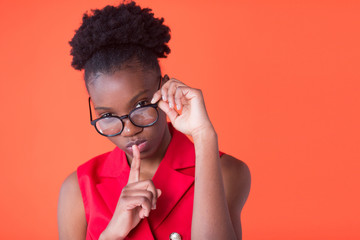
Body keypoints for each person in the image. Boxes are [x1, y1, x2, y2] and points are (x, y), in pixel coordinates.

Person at [57, 1, 251, 239]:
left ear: (164, 88)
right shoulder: (78, 188)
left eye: (140, 105)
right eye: (107, 116)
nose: (128, 130)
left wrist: (203, 135)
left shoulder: (226, 171)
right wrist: (111, 235)